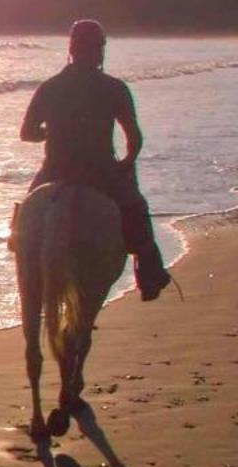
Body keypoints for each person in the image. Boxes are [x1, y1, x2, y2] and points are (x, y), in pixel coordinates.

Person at [19, 19, 170, 299]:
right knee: (136, 209)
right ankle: (150, 274)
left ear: (71, 49)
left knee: (25, 219)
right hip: (101, 173)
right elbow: (134, 139)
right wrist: (125, 164)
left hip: (54, 171)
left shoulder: (50, 87)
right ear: (100, 50)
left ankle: (20, 250)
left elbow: (26, 133)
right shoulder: (114, 88)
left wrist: (48, 132)